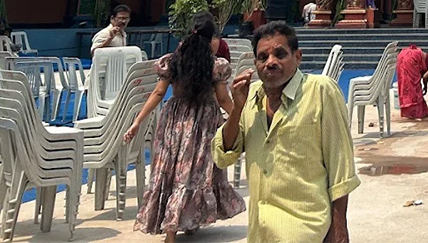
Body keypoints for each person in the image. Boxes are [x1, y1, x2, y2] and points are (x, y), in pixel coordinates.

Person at [212, 21, 359, 243]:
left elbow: (341, 166)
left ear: (297, 57)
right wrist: (237, 109)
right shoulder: (250, 97)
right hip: (261, 232)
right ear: (255, 63)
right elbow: (224, 155)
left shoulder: (320, 91)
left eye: (280, 54)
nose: (271, 62)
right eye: (263, 57)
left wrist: (339, 229)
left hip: (306, 229)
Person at [125, 13, 245, 241]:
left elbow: (159, 92)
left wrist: (138, 121)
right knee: (195, 173)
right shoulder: (216, 66)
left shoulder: (173, 62)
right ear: (211, 39)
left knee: (170, 171)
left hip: (174, 122)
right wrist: (240, 115)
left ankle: (176, 227)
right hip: (203, 124)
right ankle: (182, 222)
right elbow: (223, 99)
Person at [396, 43, 428, 119]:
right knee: (414, 88)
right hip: (411, 58)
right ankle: (416, 113)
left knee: (406, 84)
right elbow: (425, 77)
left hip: (402, 56)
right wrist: (425, 86)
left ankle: (411, 112)